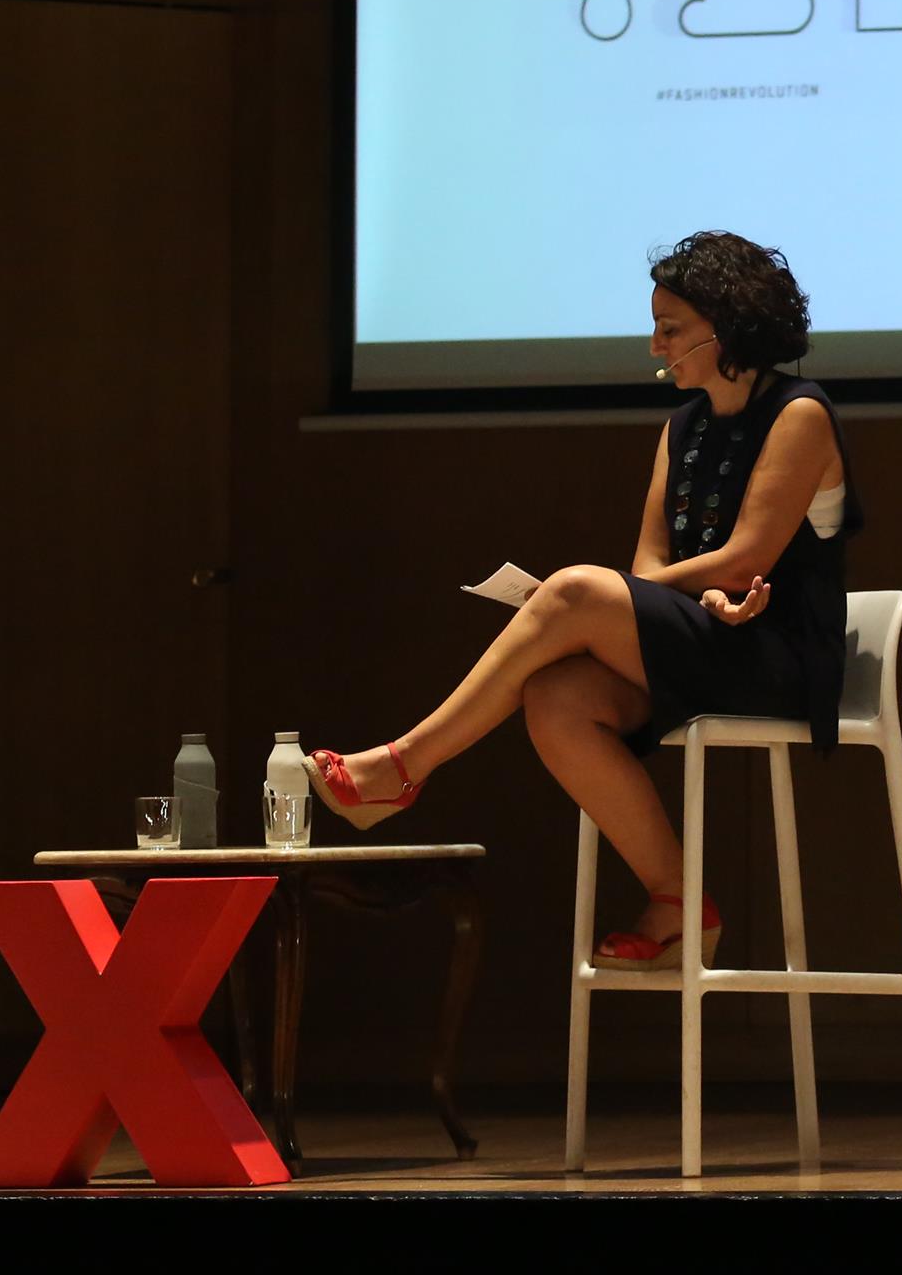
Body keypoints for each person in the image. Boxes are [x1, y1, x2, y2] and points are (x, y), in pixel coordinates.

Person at [310, 231, 860, 969]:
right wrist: (667, 599)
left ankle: (402, 766)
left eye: (671, 329)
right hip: (708, 642)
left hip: (780, 655)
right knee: (556, 696)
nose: (656, 345)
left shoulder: (799, 413)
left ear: (726, 329)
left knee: (575, 590)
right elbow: (649, 567)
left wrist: (599, 600)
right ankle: (678, 901)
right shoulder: (684, 428)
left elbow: (748, 558)